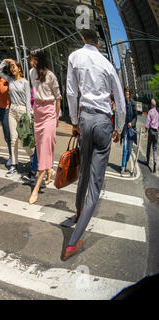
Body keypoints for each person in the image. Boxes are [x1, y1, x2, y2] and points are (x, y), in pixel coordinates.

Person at [64, 28, 125, 261]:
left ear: (83, 40)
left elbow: (71, 92)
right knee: (95, 182)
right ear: (98, 43)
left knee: (84, 171)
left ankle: (78, 212)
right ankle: (74, 241)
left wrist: (75, 120)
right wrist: (118, 127)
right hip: (102, 122)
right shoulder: (107, 64)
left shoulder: (74, 57)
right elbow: (118, 97)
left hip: (85, 118)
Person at [28, 49, 61, 205]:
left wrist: (56, 117)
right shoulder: (31, 73)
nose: (30, 61)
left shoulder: (50, 75)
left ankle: (36, 189)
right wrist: (32, 113)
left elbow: (58, 97)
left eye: (32, 59)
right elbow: (33, 94)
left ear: (38, 60)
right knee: (40, 149)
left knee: (45, 148)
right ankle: (49, 169)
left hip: (48, 113)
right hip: (37, 113)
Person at [0, 58, 34, 176]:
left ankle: (33, 159)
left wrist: (28, 117)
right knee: (13, 139)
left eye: (14, 66)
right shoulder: (10, 80)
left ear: (19, 68)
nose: (12, 68)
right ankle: (14, 165)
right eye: (11, 67)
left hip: (23, 110)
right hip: (12, 110)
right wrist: (5, 61)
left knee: (25, 139)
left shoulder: (25, 82)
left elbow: (28, 101)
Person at [120, 87, 137, 176]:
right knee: (124, 148)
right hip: (125, 129)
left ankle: (125, 162)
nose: (126, 95)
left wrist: (132, 123)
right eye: (125, 94)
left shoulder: (133, 103)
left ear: (129, 94)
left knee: (129, 150)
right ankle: (123, 167)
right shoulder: (123, 103)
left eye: (127, 94)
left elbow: (135, 117)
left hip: (132, 129)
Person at [141, 99, 158, 173]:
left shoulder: (150, 112)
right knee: (154, 148)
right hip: (156, 132)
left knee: (148, 147)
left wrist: (145, 132)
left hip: (151, 131)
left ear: (151, 105)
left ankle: (147, 161)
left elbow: (148, 122)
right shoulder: (157, 113)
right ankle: (154, 162)